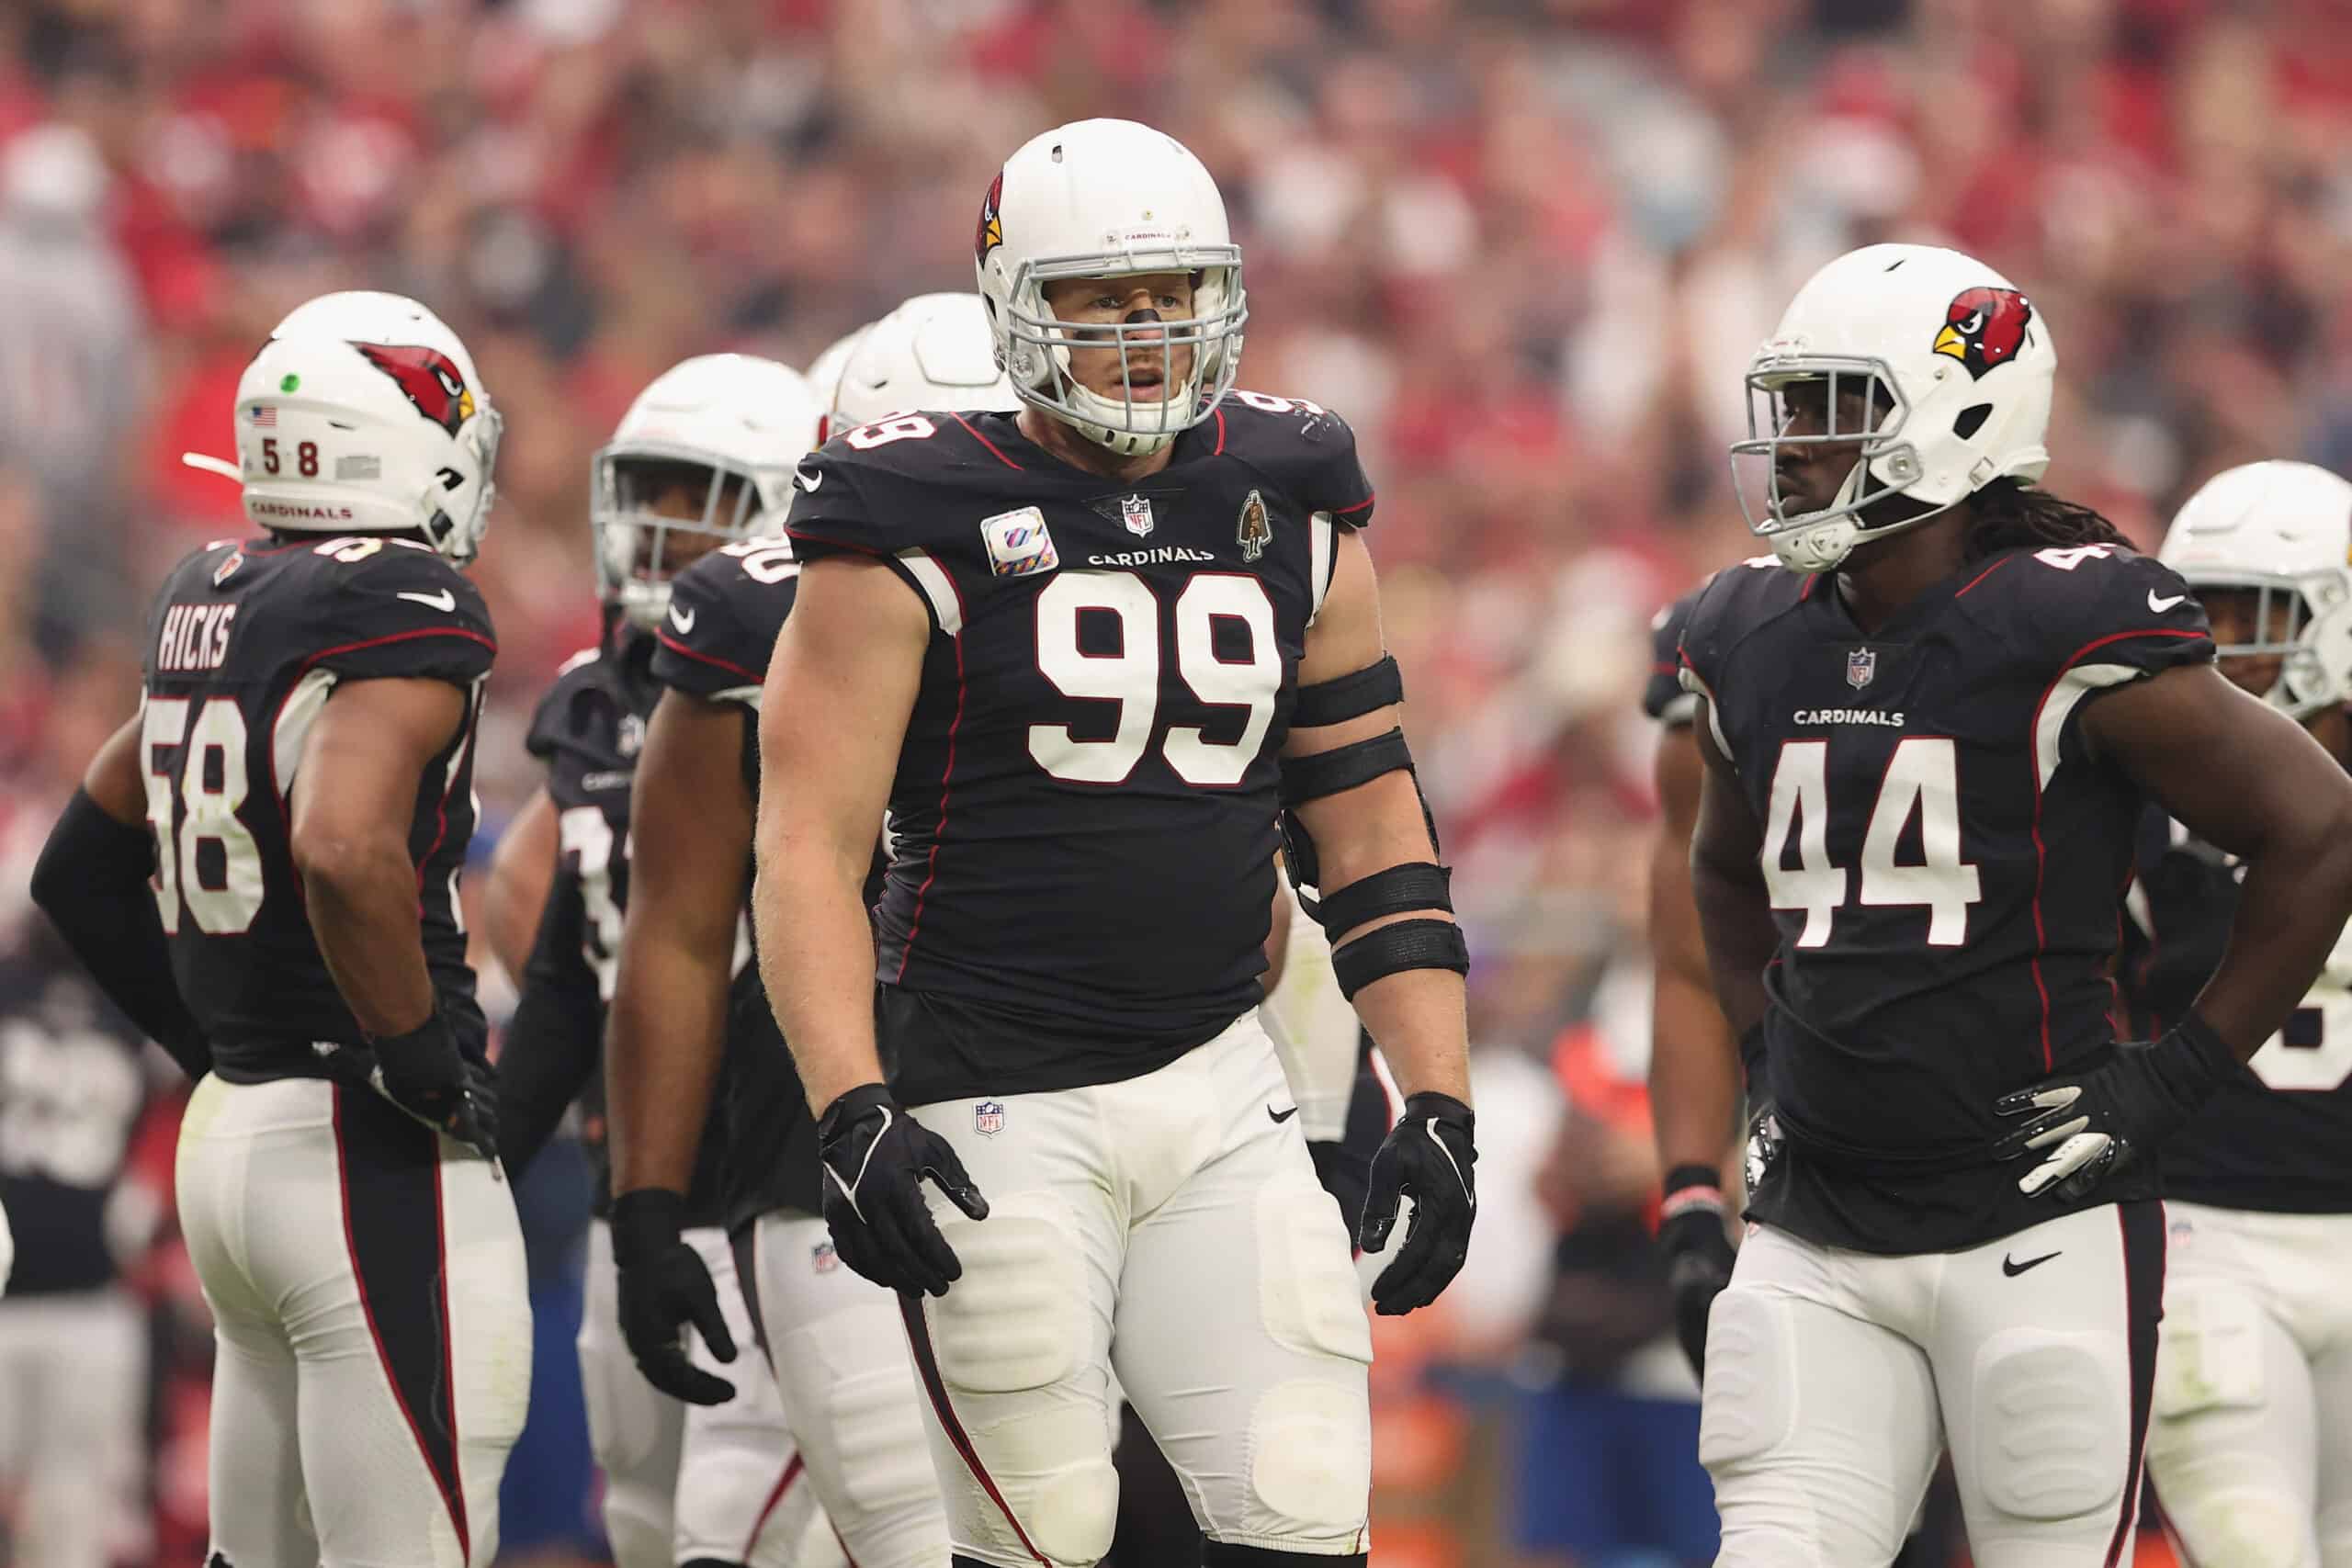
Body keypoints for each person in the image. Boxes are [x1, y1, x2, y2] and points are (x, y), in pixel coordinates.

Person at [754, 118, 1476, 1568]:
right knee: (1046, 1527)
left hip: (1222, 1080)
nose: (1147, 333)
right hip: (992, 1093)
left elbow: (1369, 813)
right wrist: (853, 1106)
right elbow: (806, 849)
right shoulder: (908, 508)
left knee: (1305, 1494)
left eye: (1174, 294)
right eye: (1100, 300)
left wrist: (1440, 1096)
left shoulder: (1291, 487)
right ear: (1017, 303)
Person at [1679, 243, 2352, 1566]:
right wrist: (1766, 1057)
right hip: (1821, 1222)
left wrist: (2174, 1076)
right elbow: (1718, 865)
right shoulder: (1750, 630)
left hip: (2036, 1222)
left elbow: (2319, 826)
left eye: (1836, 406)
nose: (1795, 445)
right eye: (1793, 407)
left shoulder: (2063, 622)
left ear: (1957, 417)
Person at [30, 290, 528, 1568]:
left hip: (238, 1145)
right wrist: (415, 1050)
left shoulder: (214, 588)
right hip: (361, 1148)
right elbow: (344, 842)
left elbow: (81, 865)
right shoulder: (400, 599)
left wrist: (213, 1042)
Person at [603, 293, 1019, 1568]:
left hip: (1066, 1121)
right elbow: (674, 929)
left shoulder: (1131, 585)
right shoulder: (753, 608)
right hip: (825, 1146)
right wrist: (645, 1202)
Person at [490, 355, 833, 1568]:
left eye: (703, 497)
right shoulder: (596, 697)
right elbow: (548, 903)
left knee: (767, 1524)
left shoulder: (813, 690)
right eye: (652, 491)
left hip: (775, 1180)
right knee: (639, 1512)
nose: (664, 528)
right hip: (634, 1181)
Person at [2124, 460, 2352, 1568]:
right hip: (2209, 1242)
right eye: (2196, 614)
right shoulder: (2140, 805)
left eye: (2248, 616)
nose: (2216, 647)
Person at [0, 917, 162, 1568]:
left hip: (92, 1303)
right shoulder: (129, 1000)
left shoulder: (133, 1001)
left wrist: (147, 1196)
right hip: (64, 1301)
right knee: (69, 1527)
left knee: (74, 1524)